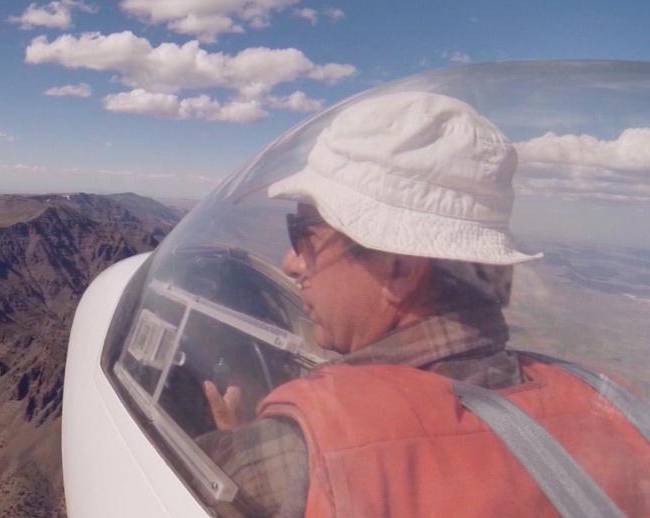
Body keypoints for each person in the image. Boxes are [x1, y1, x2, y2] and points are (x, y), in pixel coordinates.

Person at [198, 91, 650, 517]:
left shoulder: (305, 446)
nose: (290, 262)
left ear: (398, 268)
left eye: (304, 236)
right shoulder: (618, 408)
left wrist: (250, 465)